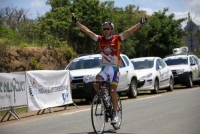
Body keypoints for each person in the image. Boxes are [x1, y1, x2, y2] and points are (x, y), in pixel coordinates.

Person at [71, 13, 150, 124]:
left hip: (114, 70)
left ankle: (115, 112)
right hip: (104, 68)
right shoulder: (100, 39)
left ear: (112, 29)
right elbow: (87, 31)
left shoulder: (117, 39)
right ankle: (104, 99)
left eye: (107, 28)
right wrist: (76, 22)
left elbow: (129, 31)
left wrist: (141, 22)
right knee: (96, 82)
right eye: (104, 29)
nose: (105, 30)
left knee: (113, 91)